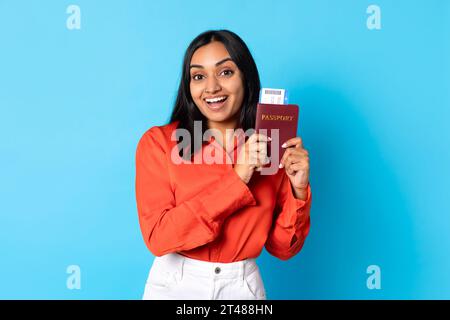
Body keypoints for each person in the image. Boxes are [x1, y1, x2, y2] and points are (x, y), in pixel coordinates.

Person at [135, 29, 312, 300]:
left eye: (226, 72)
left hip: (242, 288)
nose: (212, 87)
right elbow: (159, 238)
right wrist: (237, 179)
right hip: (175, 285)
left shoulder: (270, 146)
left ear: (246, 78)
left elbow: (282, 249)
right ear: (189, 86)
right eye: (198, 76)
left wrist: (299, 191)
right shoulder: (159, 143)